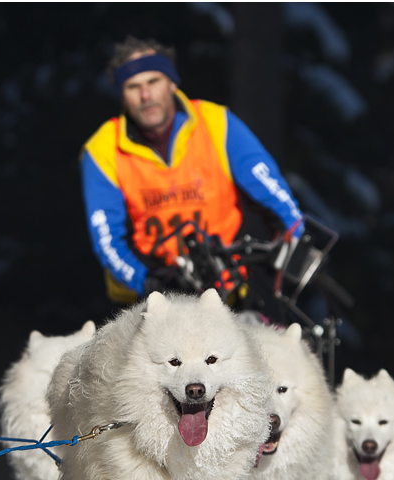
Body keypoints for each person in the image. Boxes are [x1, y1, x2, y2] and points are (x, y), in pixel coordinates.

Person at [80, 37, 305, 306]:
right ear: (122, 95)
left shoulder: (216, 123)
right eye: (133, 86)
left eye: (154, 81)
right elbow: (107, 242)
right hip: (149, 297)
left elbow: (279, 201)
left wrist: (291, 251)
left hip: (231, 288)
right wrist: (149, 283)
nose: (146, 96)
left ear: (172, 83)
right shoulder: (102, 150)